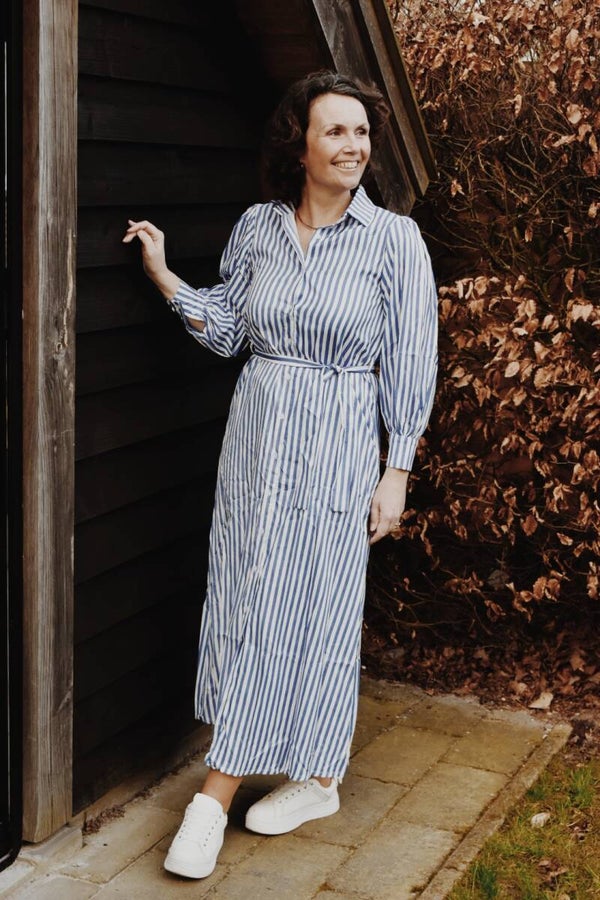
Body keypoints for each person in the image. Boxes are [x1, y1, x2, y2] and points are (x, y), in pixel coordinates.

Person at [123, 70, 437, 880]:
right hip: (256, 443)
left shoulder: (394, 240)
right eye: (336, 131)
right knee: (247, 593)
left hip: (337, 442)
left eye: (362, 132)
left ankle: (214, 796)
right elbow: (231, 330)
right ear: (299, 144)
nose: (354, 146)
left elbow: (411, 361)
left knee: (314, 604)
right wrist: (166, 277)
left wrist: (397, 469)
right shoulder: (258, 228)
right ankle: (318, 776)